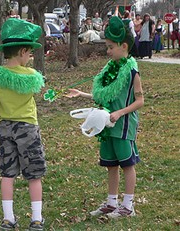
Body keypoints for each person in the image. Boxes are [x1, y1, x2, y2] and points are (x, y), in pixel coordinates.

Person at [66, 16, 144, 219]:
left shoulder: (132, 71)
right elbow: (104, 96)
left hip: (123, 125)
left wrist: (120, 112)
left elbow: (140, 101)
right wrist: (82, 94)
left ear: (123, 46)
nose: (107, 51)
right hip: (107, 125)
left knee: (127, 163)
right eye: (106, 47)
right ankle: (111, 202)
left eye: (110, 47)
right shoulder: (110, 70)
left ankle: (128, 205)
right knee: (111, 164)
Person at [0, 18, 46, 230]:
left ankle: (8, 217)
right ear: (21, 52)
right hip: (27, 127)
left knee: (7, 174)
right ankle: (36, 218)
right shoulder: (31, 77)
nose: (31, 57)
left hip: (5, 128)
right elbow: (36, 89)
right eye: (30, 52)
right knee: (34, 174)